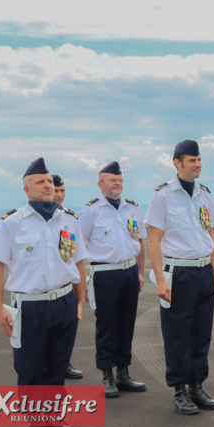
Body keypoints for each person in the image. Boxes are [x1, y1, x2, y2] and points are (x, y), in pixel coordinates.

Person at [0, 157, 87, 427]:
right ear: (27, 190)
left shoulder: (69, 220)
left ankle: (54, 420)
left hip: (63, 302)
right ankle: (33, 422)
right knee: (29, 367)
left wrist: (80, 300)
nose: (48, 186)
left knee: (57, 365)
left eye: (50, 182)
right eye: (41, 182)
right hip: (28, 307)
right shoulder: (12, 223)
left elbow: (78, 261)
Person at [145, 139, 214, 415]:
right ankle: (180, 390)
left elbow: (209, 234)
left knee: (201, 333)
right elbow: (154, 240)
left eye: (199, 159)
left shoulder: (205, 194)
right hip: (178, 272)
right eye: (192, 160)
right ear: (177, 163)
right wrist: (161, 280)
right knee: (178, 334)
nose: (197, 164)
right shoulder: (163, 196)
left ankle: (197, 386)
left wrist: (213, 272)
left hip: (203, 271)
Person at [77, 161, 147, 398]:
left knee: (127, 323)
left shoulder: (132, 208)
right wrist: (82, 282)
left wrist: (139, 272)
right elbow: (77, 248)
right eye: (112, 180)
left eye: (119, 180)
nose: (117, 184)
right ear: (100, 184)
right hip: (104, 274)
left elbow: (139, 242)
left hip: (129, 272)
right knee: (107, 325)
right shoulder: (90, 211)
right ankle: (107, 375)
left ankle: (123, 373)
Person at [50, 174, 84, 381]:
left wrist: (81, 292)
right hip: (44, 287)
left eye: (62, 191)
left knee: (65, 332)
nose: (60, 195)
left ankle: (63, 363)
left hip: (66, 285)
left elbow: (74, 256)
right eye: (56, 191)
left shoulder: (69, 219)